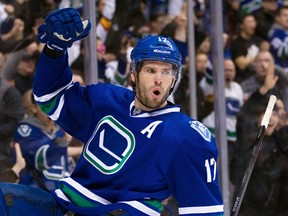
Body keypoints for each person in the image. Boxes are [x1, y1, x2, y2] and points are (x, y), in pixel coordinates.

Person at [0, 8, 224, 216]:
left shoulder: (187, 135)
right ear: (134, 74)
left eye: (167, 72)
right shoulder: (108, 100)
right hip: (62, 207)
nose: (159, 78)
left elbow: (203, 210)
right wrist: (55, 51)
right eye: (151, 70)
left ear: (174, 78)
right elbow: (50, 97)